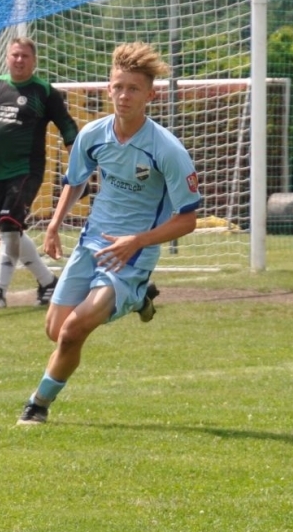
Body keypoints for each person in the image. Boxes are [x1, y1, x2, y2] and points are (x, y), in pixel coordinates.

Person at [17, 42, 201, 425]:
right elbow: (76, 181)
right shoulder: (93, 134)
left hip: (132, 255)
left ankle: (37, 405)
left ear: (150, 95)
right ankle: (138, 300)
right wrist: (54, 224)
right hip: (91, 244)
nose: (124, 95)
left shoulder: (167, 150)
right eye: (118, 86)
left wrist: (137, 241)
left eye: (133, 88)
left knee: (73, 331)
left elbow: (187, 220)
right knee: (55, 330)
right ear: (108, 88)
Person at [0, 37, 80, 310]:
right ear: (7, 57)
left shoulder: (43, 91)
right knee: (10, 229)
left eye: (25, 56)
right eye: (15, 55)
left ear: (34, 60)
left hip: (27, 170)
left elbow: (67, 126)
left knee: (8, 223)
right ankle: (48, 282)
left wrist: (79, 160)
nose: (19, 60)